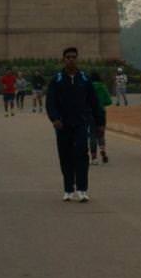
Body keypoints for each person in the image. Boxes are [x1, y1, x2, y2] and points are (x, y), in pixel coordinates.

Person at [45, 47, 98, 202]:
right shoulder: (57, 79)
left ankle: (82, 189)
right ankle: (68, 188)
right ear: (63, 59)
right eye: (68, 57)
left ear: (77, 59)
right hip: (63, 124)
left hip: (81, 123)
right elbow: (50, 102)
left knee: (81, 154)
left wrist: (99, 121)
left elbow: (94, 101)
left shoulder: (85, 78)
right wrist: (54, 118)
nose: (71, 59)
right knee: (65, 156)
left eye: (73, 57)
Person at [88, 70, 112, 164]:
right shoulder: (103, 87)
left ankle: (94, 158)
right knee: (101, 134)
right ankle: (103, 150)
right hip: (101, 113)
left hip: (90, 113)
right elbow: (109, 101)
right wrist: (102, 103)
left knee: (92, 135)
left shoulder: (88, 87)